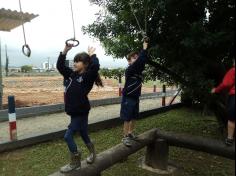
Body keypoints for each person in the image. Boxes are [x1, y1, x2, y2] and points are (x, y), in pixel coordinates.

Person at [57, 44, 103, 173]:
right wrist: (65, 50)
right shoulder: (71, 75)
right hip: (74, 111)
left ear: (85, 64)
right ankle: (93, 153)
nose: (75, 63)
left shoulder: (87, 77)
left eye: (78, 61)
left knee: (68, 136)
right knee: (83, 132)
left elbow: (95, 67)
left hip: (81, 111)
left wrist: (92, 55)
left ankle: (75, 162)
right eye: (74, 61)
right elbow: (60, 66)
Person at [120, 39, 149, 147]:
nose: (136, 60)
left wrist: (144, 52)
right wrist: (144, 48)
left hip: (136, 97)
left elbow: (142, 60)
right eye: (134, 58)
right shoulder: (130, 70)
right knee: (127, 117)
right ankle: (125, 137)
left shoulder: (138, 70)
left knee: (134, 116)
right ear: (129, 61)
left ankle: (130, 133)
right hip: (128, 97)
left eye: (137, 57)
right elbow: (140, 60)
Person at [212, 60, 235, 146]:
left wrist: (216, 90)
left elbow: (226, 83)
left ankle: (229, 139)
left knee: (232, 119)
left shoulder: (233, 70)